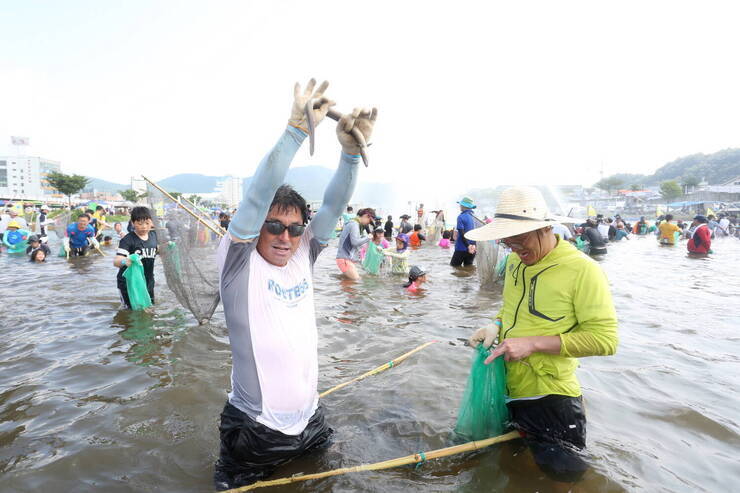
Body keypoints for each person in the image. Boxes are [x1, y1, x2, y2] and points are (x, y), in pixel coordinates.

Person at [213, 79, 376, 490]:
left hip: (310, 420)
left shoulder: (304, 252)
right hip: (256, 431)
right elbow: (256, 196)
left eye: (294, 227)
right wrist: (296, 131)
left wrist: (351, 155)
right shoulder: (238, 262)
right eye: (274, 226)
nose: (285, 236)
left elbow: (336, 206)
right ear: (257, 228)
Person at [466, 186, 618, 485]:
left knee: (563, 479)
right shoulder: (512, 263)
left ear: (545, 228)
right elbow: (510, 309)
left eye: (520, 239)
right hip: (508, 387)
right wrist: (495, 325)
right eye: (507, 241)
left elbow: (605, 339)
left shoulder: (583, 271)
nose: (514, 248)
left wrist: (533, 344)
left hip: (552, 398)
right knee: (514, 469)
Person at [113, 207, 158, 308]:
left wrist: (169, 248)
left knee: (149, 308)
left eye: (147, 223)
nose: (144, 227)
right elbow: (116, 261)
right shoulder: (127, 240)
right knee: (130, 311)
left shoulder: (154, 236)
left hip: (148, 281)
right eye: (140, 223)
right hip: (129, 283)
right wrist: (125, 261)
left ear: (152, 222)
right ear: (133, 223)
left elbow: (159, 251)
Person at [336, 207, 375, 280]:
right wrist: (368, 237)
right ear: (366, 216)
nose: (368, 224)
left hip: (345, 259)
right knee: (356, 281)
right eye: (369, 221)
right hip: (345, 259)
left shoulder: (354, 224)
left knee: (347, 284)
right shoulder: (354, 225)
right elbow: (355, 242)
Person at [450, 197, 477, 267]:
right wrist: (472, 246)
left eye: (460, 205)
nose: (460, 206)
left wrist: (468, 245)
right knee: (468, 269)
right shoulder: (475, 217)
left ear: (463, 206)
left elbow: (462, 234)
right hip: (473, 248)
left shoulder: (461, 217)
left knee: (454, 268)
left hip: (461, 248)